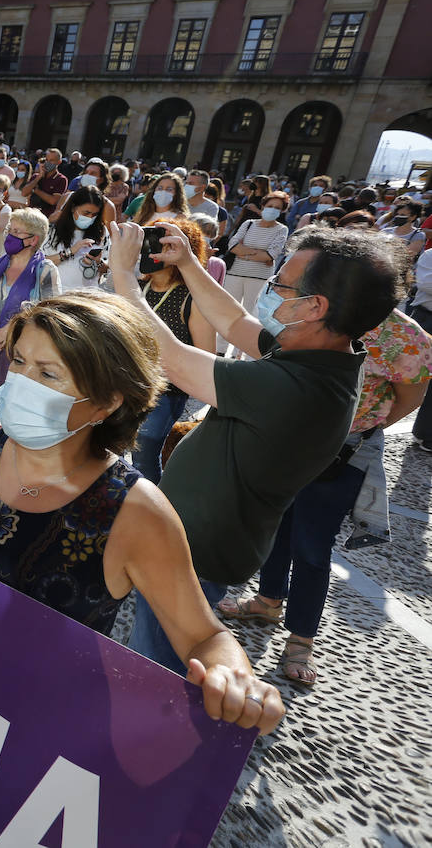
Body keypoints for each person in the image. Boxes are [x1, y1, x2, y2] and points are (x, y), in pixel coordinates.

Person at [0, 292, 285, 736]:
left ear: (107, 402)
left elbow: (204, 636)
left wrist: (236, 678)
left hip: (19, 731)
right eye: (18, 361)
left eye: (48, 373)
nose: (19, 381)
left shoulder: (135, 511)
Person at [108, 221, 402, 674]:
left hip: (198, 555)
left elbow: (173, 360)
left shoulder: (297, 385)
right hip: (197, 544)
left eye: (279, 285)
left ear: (314, 306)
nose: (269, 292)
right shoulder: (321, 351)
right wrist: (188, 263)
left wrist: (124, 276)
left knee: (158, 671)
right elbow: (235, 321)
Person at [218, 306, 432, 683]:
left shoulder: (404, 337)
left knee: (312, 547)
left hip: (344, 450)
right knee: (275, 524)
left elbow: (410, 398)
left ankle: (301, 638)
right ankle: (268, 601)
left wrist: (356, 425)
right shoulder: (309, 307)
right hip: (287, 437)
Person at [128, 219, 215, 482]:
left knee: (145, 453)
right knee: (123, 449)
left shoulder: (191, 297)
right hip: (132, 382)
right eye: (147, 241)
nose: (149, 249)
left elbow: (207, 355)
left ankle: (154, 508)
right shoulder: (138, 288)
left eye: (160, 243)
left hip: (168, 391)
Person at [0, 208, 61, 416]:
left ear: (33, 240)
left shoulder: (45, 271)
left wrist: (10, 329)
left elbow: (48, 311)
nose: (9, 235)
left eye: (17, 232)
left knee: (11, 417)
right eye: (10, 229)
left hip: (23, 359)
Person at [223, 190, 291, 324]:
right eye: (270, 206)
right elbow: (232, 245)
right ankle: (220, 345)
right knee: (229, 312)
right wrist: (258, 253)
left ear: (282, 211)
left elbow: (271, 254)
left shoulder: (281, 229)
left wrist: (244, 253)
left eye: (277, 208)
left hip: (259, 278)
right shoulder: (248, 223)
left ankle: (241, 345)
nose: (272, 209)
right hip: (235, 273)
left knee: (250, 316)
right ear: (263, 206)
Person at [43, 186, 108, 292]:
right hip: (56, 296)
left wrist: (98, 262)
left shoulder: (102, 232)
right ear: (73, 208)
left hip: (87, 298)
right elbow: (41, 263)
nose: (90, 218)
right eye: (86, 213)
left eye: (94, 214)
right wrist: (71, 251)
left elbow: (107, 268)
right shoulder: (52, 231)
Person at [25, 148, 67, 215]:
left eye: (52, 160)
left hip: (46, 216)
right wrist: (39, 177)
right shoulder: (36, 176)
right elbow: (24, 193)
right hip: (31, 214)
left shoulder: (61, 179)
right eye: (47, 160)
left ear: (59, 162)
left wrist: (36, 190)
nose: (48, 162)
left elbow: (53, 201)